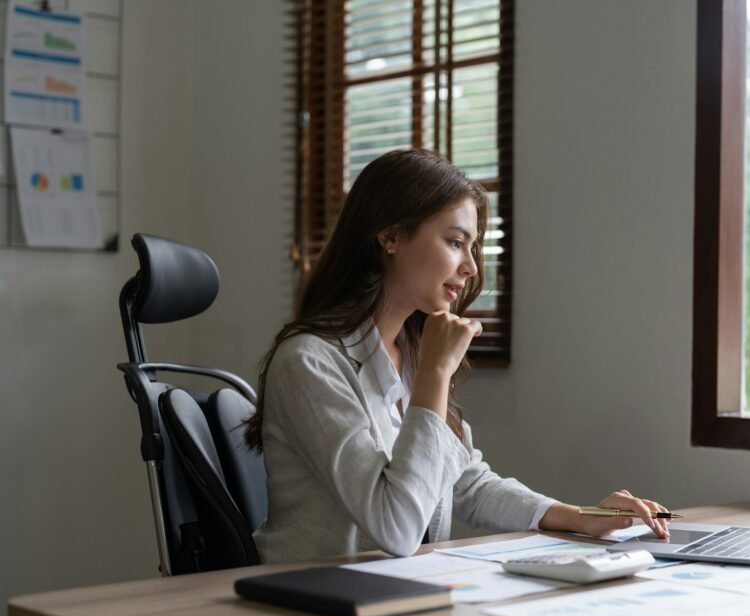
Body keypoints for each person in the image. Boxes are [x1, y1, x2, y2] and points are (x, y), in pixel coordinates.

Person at [245, 148, 670, 562]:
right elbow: (396, 529)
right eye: (455, 242)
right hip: (311, 605)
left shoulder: (412, 353)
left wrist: (580, 517)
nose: (470, 267)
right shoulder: (310, 362)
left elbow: (466, 482)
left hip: (400, 597)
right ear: (390, 236)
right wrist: (435, 373)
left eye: (472, 248)